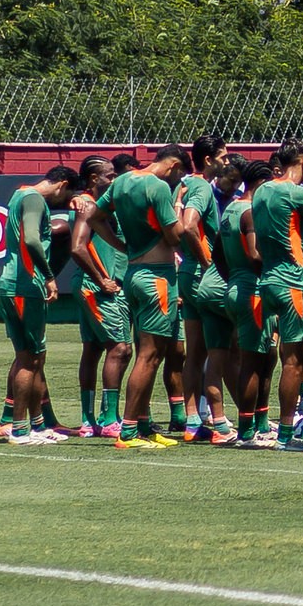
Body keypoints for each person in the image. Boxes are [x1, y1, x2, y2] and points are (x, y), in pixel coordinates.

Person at [102, 144, 190, 447]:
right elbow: (175, 235)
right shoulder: (158, 187)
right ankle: (128, 430)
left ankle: (141, 426)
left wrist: (119, 245)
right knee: (150, 357)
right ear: (175, 165)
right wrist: (178, 206)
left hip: (135, 274)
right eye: (178, 176)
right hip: (158, 279)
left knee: (147, 352)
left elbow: (95, 218)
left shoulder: (122, 182)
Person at [250, 141, 303, 450]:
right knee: (294, 362)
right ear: (302, 159)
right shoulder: (296, 193)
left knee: (267, 356)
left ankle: (254, 425)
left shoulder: (262, 191)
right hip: (294, 282)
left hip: (268, 279)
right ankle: (286, 434)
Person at [0, 166, 79, 444]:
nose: (64, 202)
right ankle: (19, 429)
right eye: (67, 195)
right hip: (24, 286)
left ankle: (38, 426)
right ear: (62, 184)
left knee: (33, 357)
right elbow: (31, 238)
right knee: (29, 359)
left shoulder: (20, 195)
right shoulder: (34, 199)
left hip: (14, 285)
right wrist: (48, 276)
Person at [181, 144, 240, 439]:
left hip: (186, 273)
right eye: (223, 156)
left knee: (195, 352)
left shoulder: (184, 185)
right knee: (221, 350)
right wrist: (208, 263)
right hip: (200, 275)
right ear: (208, 160)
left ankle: (192, 421)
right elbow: (188, 226)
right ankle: (220, 421)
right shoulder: (202, 187)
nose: (226, 161)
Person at [69, 154, 130, 437]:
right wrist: (102, 279)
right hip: (98, 288)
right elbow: (78, 247)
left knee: (93, 349)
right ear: (94, 179)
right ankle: (108, 419)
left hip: (93, 286)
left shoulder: (99, 204)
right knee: (119, 348)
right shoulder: (88, 205)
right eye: (110, 176)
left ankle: (88, 419)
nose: (114, 180)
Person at [211, 159, 267, 446]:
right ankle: (247, 431)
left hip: (234, 286)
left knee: (257, 358)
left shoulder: (230, 207)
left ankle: (258, 424)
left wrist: (231, 277)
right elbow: (256, 254)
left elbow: (217, 251)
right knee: (253, 362)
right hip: (252, 290)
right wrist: (272, 274)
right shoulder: (250, 211)